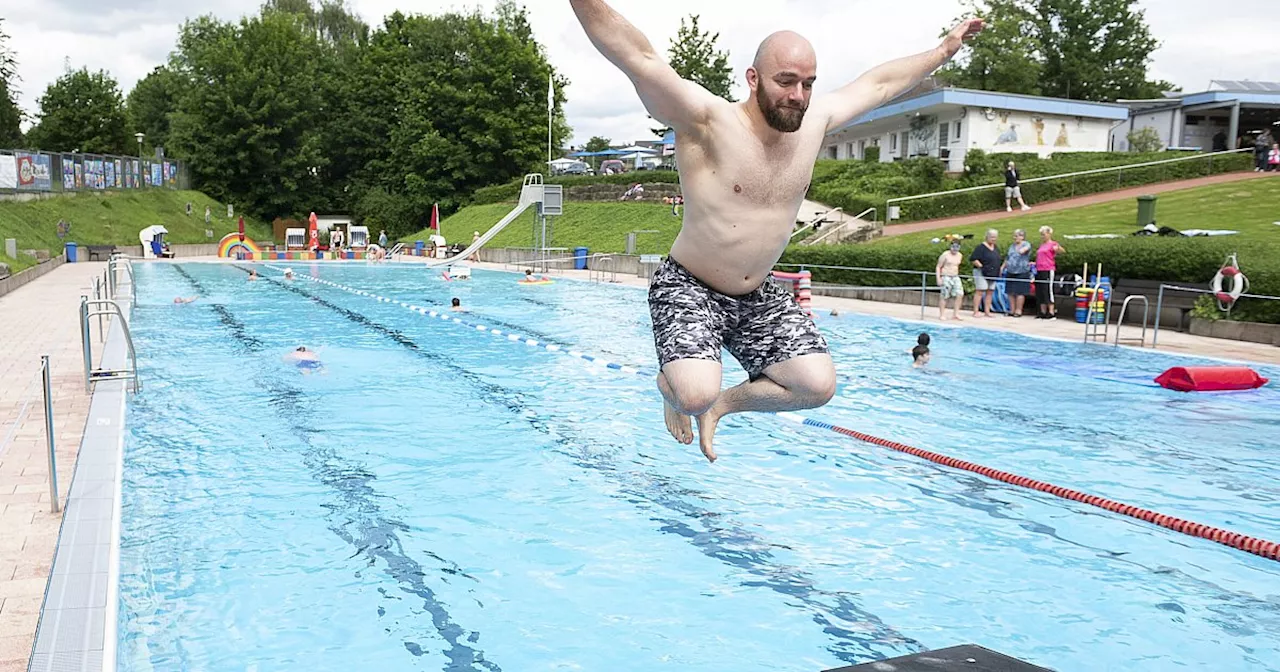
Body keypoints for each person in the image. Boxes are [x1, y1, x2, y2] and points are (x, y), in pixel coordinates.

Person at [571, 0, 984, 461]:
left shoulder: (815, 123)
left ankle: (721, 406)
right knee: (692, 393)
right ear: (753, 79)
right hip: (690, 286)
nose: (798, 96)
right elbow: (638, 57)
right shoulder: (708, 120)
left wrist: (944, 49)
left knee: (816, 386)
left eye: (807, 83)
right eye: (785, 82)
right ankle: (676, 386)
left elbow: (880, 83)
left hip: (758, 295)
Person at [968, 228, 1001, 317]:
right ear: (987, 237)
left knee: (990, 291)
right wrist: (982, 267)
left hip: (993, 272)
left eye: (995, 237)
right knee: (980, 290)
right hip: (981, 272)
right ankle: (976, 311)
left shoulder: (995, 247)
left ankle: (987, 311)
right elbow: (973, 259)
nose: (993, 239)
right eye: (991, 237)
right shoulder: (981, 247)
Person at [1034, 226, 1065, 319]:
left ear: (1049, 234)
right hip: (1039, 269)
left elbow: (1061, 251)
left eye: (1044, 234)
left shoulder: (1053, 244)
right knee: (1040, 290)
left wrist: (1057, 249)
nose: (1042, 236)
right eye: (1041, 235)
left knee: (1047, 289)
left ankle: (1051, 312)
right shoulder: (1041, 245)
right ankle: (1042, 312)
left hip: (1048, 269)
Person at [1001, 228, 1033, 317]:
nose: (1014, 238)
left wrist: (1022, 250)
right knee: (1010, 291)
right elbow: (1007, 258)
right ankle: (1012, 310)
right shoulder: (1012, 246)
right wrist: (1002, 267)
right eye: (1014, 236)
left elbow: (1026, 249)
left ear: (1022, 237)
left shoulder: (1026, 244)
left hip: (1022, 271)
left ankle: (1018, 311)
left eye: (1016, 236)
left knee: (1020, 292)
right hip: (1010, 271)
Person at [935, 241, 965, 321]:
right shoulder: (945, 255)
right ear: (950, 246)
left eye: (957, 247)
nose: (955, 249)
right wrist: (938, 278)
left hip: (955, 276)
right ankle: (942, 314)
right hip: (946, 276)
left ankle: (956, 314)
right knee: (945, 295)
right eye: (953, 247)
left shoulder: (960, 255)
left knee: (960, 294)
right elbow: (938, 267)